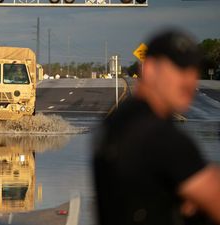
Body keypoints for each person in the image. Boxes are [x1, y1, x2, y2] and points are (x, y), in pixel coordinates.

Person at [93, 30, 220, 225]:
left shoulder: (119, 120)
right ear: (150, 69)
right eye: (180, 69)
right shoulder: (158, 135)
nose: (189, 80)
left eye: (193, 71)